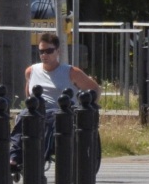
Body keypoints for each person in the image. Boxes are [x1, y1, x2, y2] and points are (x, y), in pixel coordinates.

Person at [9, 32, 102, 174]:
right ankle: (14, 157)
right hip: (37, 108)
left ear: (57, 51)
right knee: (22, 116)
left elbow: (95, 89)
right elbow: (28, 94)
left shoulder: (71, 72)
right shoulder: (31, 71)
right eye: (41, 51)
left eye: (49, 51)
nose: (44, 55)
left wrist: (88, 107)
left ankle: (41, 157)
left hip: (61, 111)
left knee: (48, 120)